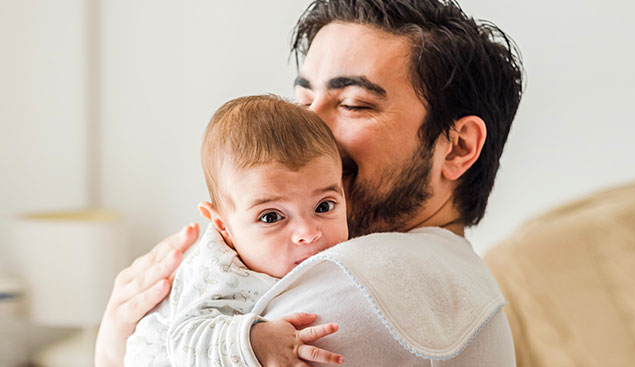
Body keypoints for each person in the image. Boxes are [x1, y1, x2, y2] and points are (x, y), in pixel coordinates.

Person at [96, 0, 524, 366]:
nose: (308, 130)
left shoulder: (362, 285)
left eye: (354, 104)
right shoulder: (449, 274)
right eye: (302, 101)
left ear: (456, 147)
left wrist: (114, 348)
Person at [124, 95, 348, 366]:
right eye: (271, 217)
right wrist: (255, 342)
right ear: (222, 225)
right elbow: (184, 342)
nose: (308, 232)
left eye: (324, 206)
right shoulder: (217, 272)